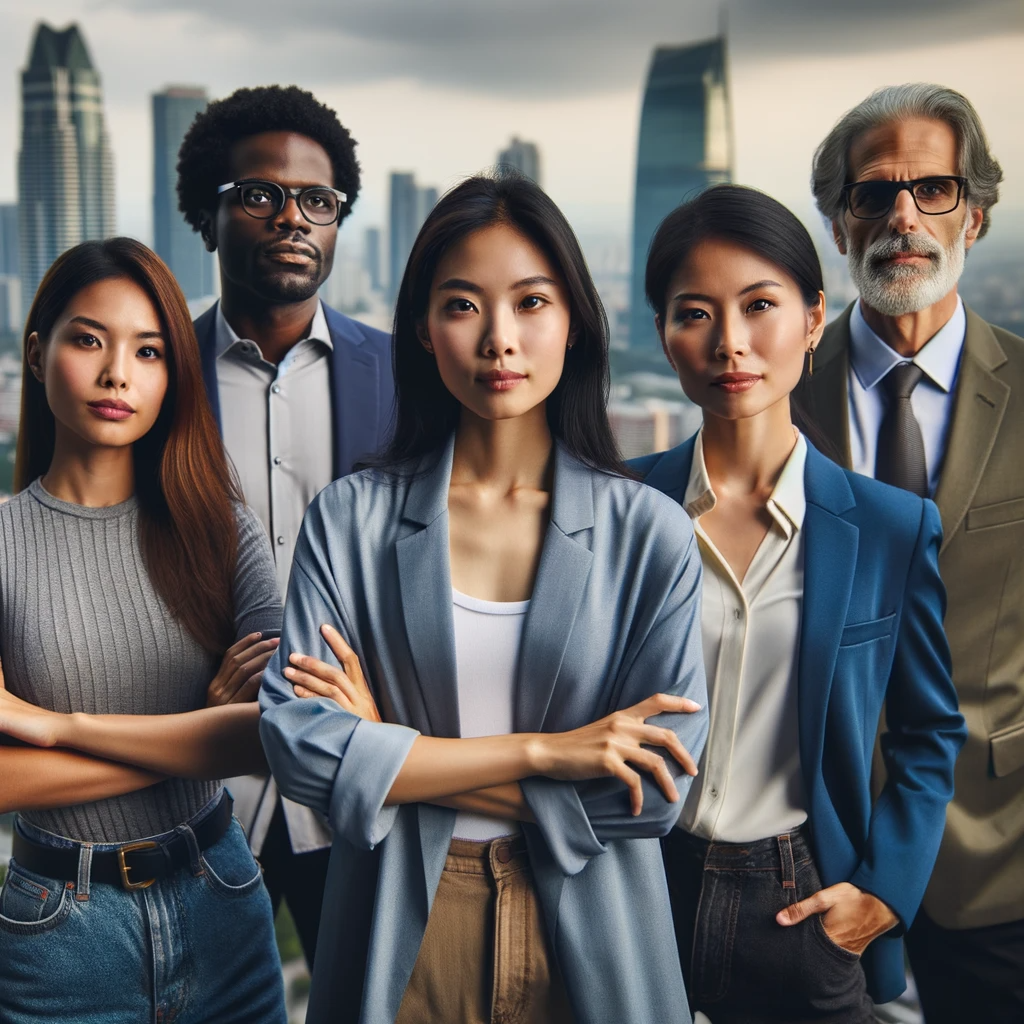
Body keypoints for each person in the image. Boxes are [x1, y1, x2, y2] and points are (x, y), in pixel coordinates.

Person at [258, 173, 710, 1024]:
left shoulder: (650, 533)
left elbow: (651, 793)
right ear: (425, 332)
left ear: (574, 321)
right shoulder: (351, 520)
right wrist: (548, 754)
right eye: (463, 305)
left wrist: (391, 758)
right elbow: (302, 749)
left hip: (592, 919)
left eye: (531, 302)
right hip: (404, 915)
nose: (500, 339)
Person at [629, 184, 966, 1023]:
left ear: (815, 319)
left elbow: (928, 734)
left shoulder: (888, 526)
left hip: (801, 900)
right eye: (695, 313)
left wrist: (883, 895)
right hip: (637, 884)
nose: (731, 343)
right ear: (665, 336)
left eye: (759, 306)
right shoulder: (623, 510)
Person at [0, 238, 286, 1022]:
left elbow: (280, 734)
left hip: (221, 897)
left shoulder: (224, 533)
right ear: (36, 353)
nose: (117, 372)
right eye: (88, 339)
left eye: (148, 350)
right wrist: (200, 730)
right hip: (59, 933)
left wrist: (52, 729)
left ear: (173, 375)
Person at [797, 83, 1024, 1023]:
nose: (902, 217)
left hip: (1002, 854)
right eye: (872, 193)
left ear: (974, 213)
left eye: (932, 189)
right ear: (837, 221)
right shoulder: (771, 399)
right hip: (816, 855)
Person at [176, 84, 394, 966]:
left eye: (317, 201)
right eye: (260, 195)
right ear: (208, 214)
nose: (292, 218)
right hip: (202, 777)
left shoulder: (403, 379)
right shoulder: (158, 381)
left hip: (354, 774)